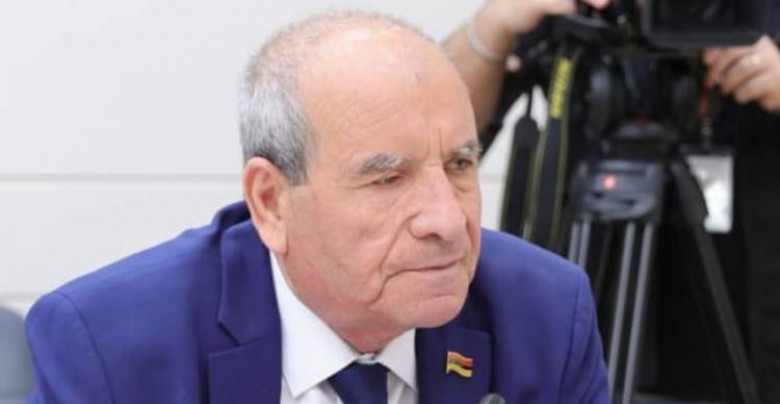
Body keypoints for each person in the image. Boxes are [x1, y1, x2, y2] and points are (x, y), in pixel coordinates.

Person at [24, 10, 610, 404]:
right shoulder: (110, 346)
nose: (448, 221)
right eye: (388, 179)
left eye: (459, 165)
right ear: (271, 203)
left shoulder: (545, 314)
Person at [444, 0, 780, 401]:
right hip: (588, 301)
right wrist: (495, 23)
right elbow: (443, 129)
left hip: (749, 322)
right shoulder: (579, 11)